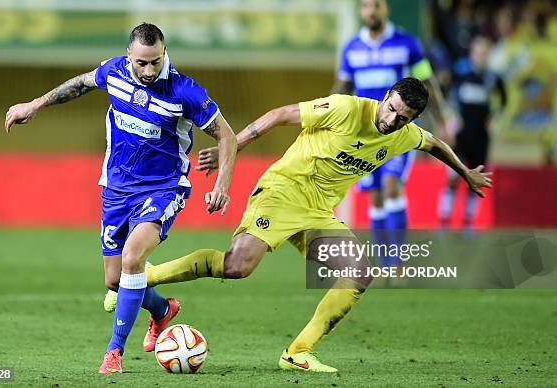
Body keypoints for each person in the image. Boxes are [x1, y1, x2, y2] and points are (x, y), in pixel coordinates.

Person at [142, 78, 492, 372]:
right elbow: (280, 115)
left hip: (318, 212)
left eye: (403, 118)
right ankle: (146, 276)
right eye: (392, 109)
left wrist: (465, 173)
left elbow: (434, 143)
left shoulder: (404, 134)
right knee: (236, 267)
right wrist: (230, 148)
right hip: (283, 191)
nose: (392, 120)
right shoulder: (345, 108)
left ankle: (297, 352)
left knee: (359, 272)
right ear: (385, 97)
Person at [4, 23, 237, 374]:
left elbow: (227, 136)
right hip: (116, 189)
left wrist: (222, 184)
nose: (148, 71)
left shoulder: (185, 91)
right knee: (115, 279)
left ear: (164, 53)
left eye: (155, 62)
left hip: (163, 188)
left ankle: (114, 352)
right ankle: (162, 310)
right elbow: (81, 84)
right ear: (129, 56)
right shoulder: (114, 71)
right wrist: (35, 105)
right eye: (141, 63)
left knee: (132, 259)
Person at [331, 0, 450, 267]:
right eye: (365, 7)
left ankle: (397, 261)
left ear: (386, 9)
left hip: (396, 131)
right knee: (374, 196)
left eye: (376, 6)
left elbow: (427, 83)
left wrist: (442, 122)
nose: (371, 12)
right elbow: (341, 87)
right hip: (363, 133)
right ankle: (385, 261)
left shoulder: (408, 44)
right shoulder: (352, 48)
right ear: (360, 11)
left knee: (391, 187)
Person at [438, 36, 506, 228]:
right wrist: (449, 118)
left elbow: (504, 101)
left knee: (476, 178)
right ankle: (444, 219)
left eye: (484, 53)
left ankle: (468, 222)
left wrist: (495, 120)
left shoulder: (492, 78)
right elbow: (445, 94)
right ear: (472, 53)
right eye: (478, 52)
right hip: (461, 135)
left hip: (481, 137)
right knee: (453, 176)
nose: (481, 56)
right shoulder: (460, 73)